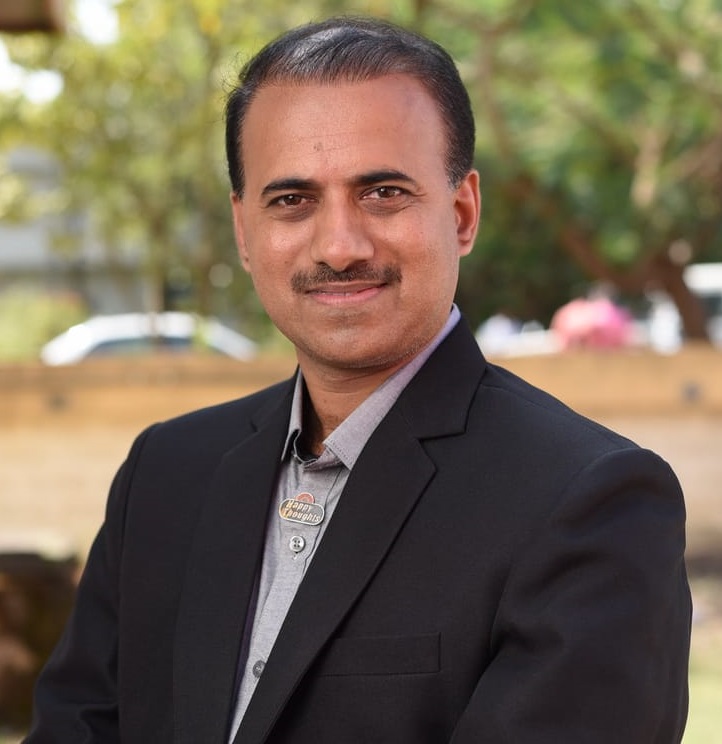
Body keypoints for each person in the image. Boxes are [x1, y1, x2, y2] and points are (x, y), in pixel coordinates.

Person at [26, 16, 691, 744]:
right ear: (244, 232)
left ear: (462, 213)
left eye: (383, 192)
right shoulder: (166, 474)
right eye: (292, 200)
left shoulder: (589, 500)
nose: (340, 247)